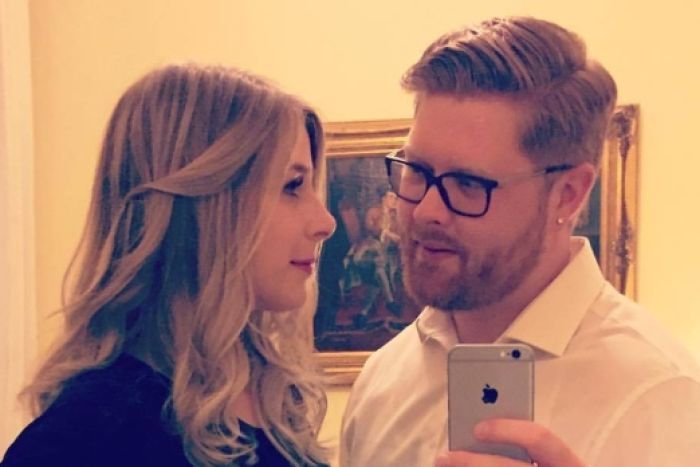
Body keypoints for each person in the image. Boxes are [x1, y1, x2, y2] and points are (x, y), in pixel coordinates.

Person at [340, 16, 700, 467]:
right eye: (416, 171)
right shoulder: (382, 379)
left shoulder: (660, 398)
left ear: (567, 194)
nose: (427, 210)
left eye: (468, 183)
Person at [2, 64, 336, 466]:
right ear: (203, 205)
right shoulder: (85, 438)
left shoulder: (274, 399)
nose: (324, 222)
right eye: (292, 186)